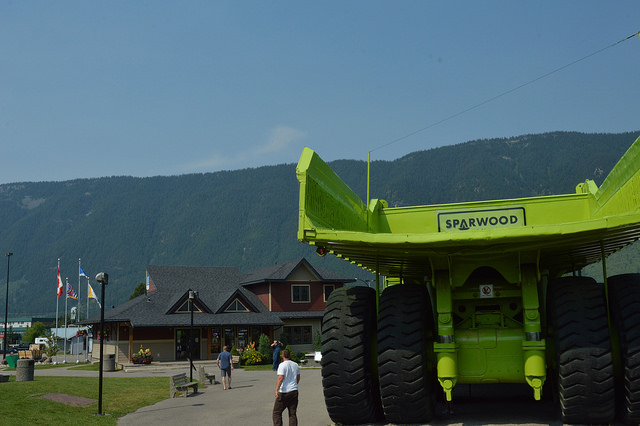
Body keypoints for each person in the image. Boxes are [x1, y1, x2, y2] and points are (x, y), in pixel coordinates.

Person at [273, 349, 300, 426]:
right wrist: (295, 384)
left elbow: (280, 378)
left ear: (282, 356)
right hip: (294, 391)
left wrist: (276, 390)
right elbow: (298, 377)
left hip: (284, 392)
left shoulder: (282, 365)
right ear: (290, 356)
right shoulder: (295, 365)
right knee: (292, 413)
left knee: (277, 412)